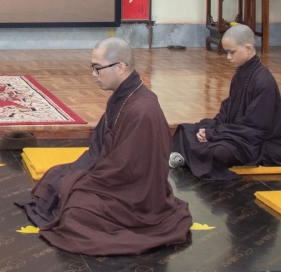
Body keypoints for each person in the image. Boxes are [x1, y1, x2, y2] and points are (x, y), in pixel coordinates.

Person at [17, 37, 192, 256]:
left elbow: (127, 170)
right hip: (113, 176)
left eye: (97, 69)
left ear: (121, 67)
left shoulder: (142, 110)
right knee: (56, 176)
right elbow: (99, 148)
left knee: (76, 211)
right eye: (93, 68)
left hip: (134, 196)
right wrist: (78, 173)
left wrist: (86, 180)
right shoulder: (121, 97)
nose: (93, 75)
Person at [170, 24, 281, 180]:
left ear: (248, 48)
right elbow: (227, 111)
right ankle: (187, 157)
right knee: (187, 129)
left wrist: (215, 134)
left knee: (221, 151)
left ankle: (191, 157)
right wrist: (211, 129)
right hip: (236, 133)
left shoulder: (264, 82)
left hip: (257, 144)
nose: (228, 57)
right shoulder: (241, 74)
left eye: (232, 52)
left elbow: (255, 128)